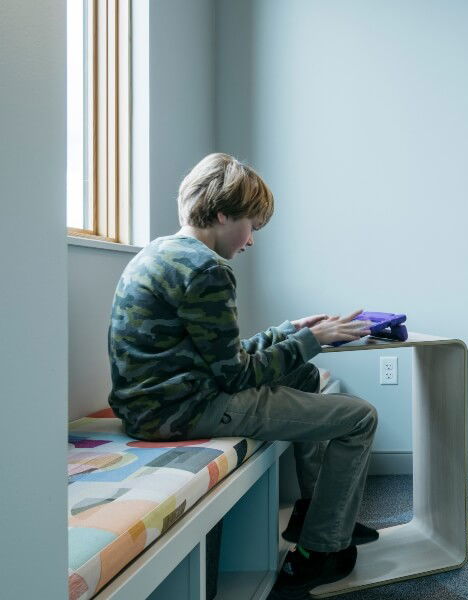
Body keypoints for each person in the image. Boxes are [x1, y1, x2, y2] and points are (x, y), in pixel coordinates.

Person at [107, 153, 378, 598]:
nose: (251, 241)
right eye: (251, 225)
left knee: (306, 377)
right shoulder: (208, 268)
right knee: (360, 417)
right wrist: (316, 339)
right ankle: (321, 549)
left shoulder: (161, 251)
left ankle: (314, 513)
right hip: (184, 411)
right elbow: (235, 376)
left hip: (157, 403)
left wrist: (290, 331)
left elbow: (221, 356)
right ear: (221, 213)